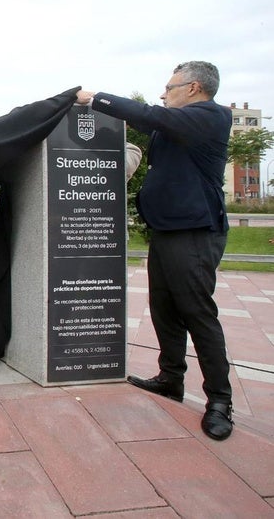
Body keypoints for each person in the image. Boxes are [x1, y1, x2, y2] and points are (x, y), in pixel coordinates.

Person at [76, 61, 235, 441]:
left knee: (196, 311)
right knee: (164, 308)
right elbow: (148, 122)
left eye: (170, 87)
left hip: (194, 233)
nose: (164, 94)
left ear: (194, 88)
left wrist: (96, 99)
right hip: (166, 231)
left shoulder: (210, 116)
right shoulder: (179, 126)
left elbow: (151, 115)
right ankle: (170, 378)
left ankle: (219, 401)